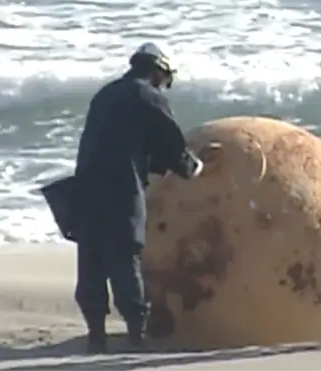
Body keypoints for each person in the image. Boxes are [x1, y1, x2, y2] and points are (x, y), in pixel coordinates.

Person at [73, 41, 203, 353]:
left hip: (86, 186)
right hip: (120, 187)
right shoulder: (149, 95)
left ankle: (96, 336)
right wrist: (193, 167)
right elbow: (171, 145)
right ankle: (136, 334)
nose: (166, 86)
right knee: (124, 256)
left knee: (92, 258)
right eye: (167, 79)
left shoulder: (106, 94)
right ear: (159, 71)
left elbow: (132, 144)